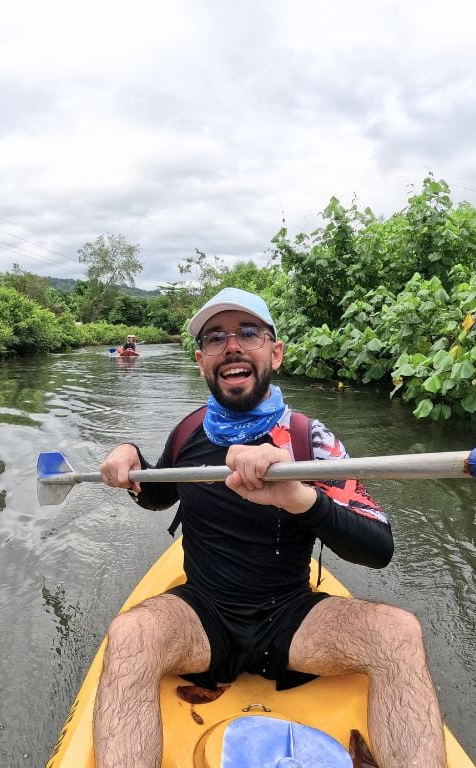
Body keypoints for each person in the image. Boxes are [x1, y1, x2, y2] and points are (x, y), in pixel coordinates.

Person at [95, 287, 447, 768]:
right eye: (216, 337)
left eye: (249, 333)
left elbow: (377, 546)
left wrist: (299, 497)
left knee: (398, 633)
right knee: (130, 635)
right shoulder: (187, 430)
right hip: (203, 616)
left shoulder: (309, 439)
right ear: (202, 361)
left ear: (274, 353)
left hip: (290, 618)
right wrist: (132, 461)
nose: (232, 345)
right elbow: (162, 493)